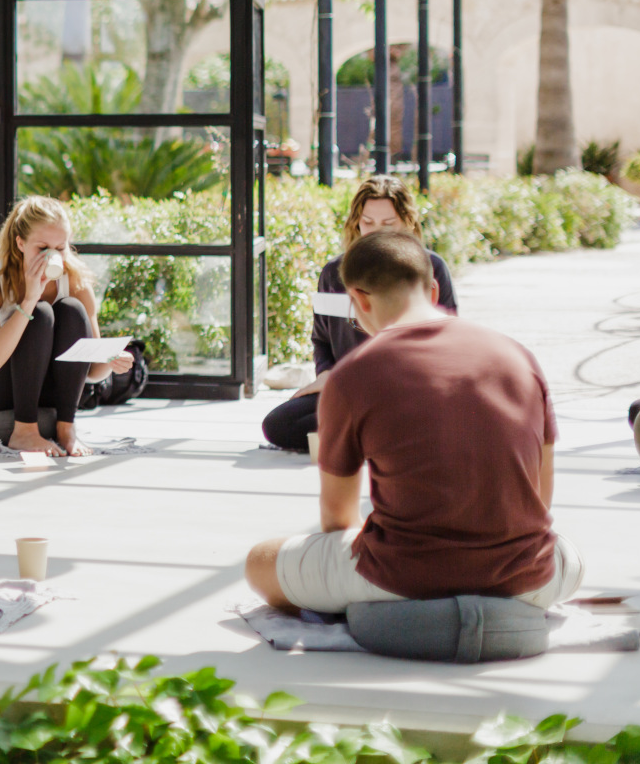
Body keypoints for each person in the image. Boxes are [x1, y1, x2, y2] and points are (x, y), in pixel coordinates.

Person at [244, 230, 582, 615]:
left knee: (260, 561)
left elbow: (337, 519)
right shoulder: (519, 356)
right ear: (434, 291)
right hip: (529, 579)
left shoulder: (352, 375)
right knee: (568, 552)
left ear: (358, 301)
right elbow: (541, 497)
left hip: (403, 580)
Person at [261, 177, 459, 453]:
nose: (376, 231)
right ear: (356, 222)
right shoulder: (334, 273)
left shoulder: (431, 268)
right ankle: (381, 437)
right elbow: (321, 341)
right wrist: (327, 375)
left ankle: (364, 435)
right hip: (350, 390)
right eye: (368, 222)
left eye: (388, 224)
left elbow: (450, 343)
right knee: (279, 424)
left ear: (407, 223)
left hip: (409, 391)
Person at [0, 196, 132, 457]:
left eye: (61, 248)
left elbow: (91, 371)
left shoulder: (76, 280)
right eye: (43, 248)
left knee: (71, 310)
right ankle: (24, 431)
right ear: (20, 243)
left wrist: (109, 359)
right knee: (40, 313)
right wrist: (29, 299)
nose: (53, 256)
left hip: (51, 392)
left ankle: (66, 429)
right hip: (3, 385)